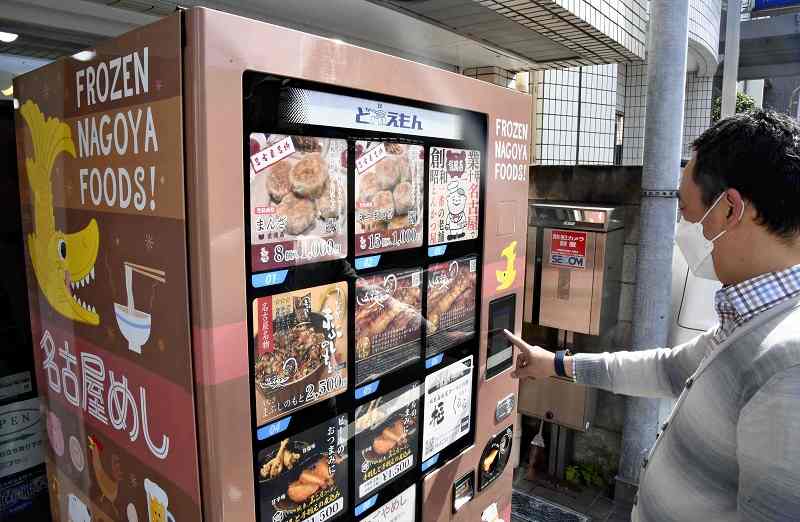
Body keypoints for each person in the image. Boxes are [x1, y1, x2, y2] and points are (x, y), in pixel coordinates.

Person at [506, 110, 800, 522]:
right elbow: (668, 370)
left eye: (685, 208)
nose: (683, 225)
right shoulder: (752, 320)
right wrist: (554, 363)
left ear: (731, 209)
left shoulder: (788, 364)